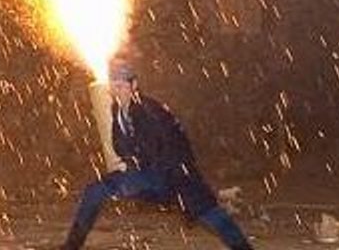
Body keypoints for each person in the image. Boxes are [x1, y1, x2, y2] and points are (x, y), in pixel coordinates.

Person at [60, 65, 253, 250]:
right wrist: (127, 160)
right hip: (150, 176)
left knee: (209, 212)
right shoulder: (117, 110)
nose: (116, 91)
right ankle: (71, 246)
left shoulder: (149, 110)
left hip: (174, 174)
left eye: (121, 86)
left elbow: (165, 146)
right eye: (113, 86)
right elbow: (120, 144)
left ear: (134, 85)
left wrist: (135, 163)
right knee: (96, 190)